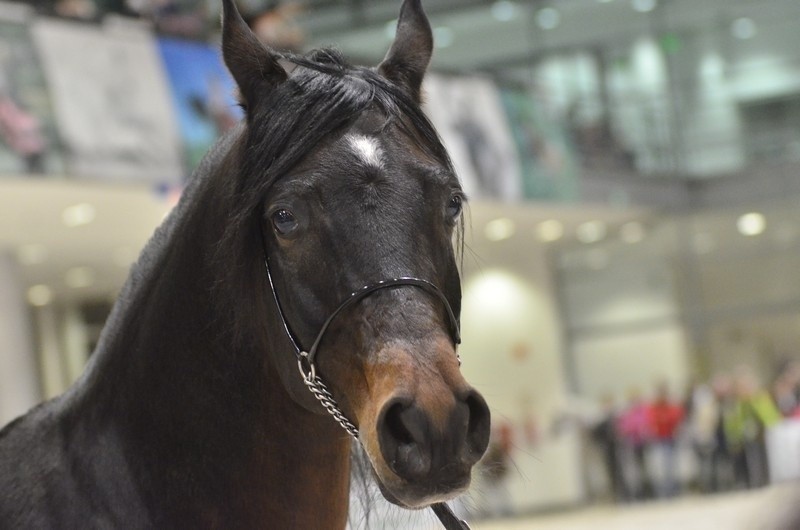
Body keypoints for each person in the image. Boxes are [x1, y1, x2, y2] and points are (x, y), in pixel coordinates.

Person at [648, 381, 685, 498]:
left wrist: (666, 420)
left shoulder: (671, 405)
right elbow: (653, 420)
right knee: (662, 466)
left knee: (671, 465)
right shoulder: (654, 406)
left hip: (670, 437)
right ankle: (665, 490)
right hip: (659, 438)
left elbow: (676, 416)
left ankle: (673, 489)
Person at [616, 387, 652, 501]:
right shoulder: (627, 412)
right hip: (632, 444)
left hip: (644, 442)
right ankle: (637, 492)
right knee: (634, 470)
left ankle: (648, 490)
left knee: (645, 468)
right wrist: (633, 429)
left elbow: (648, 423)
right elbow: (623, 427)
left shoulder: (644, 410)